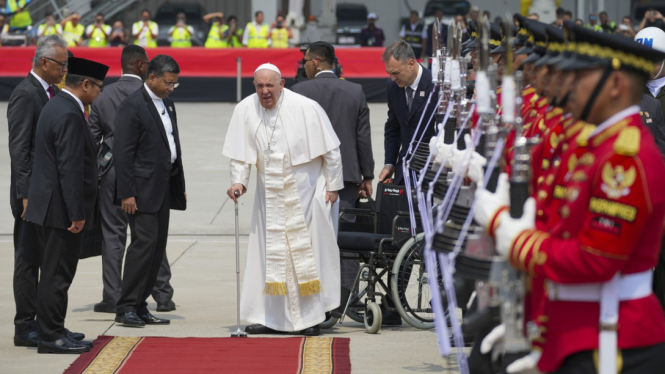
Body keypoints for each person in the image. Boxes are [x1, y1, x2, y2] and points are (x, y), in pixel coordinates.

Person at [477, 24, 665, 373]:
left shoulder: (625, 158)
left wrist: (516, 240)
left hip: (612, 338)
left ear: (615, 85)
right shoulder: (599, 145)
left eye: (580, 77)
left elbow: (596, 258)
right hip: (579, 330)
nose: (568, 86)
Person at [223, 63, 343, 337]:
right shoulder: (245, 109)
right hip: (269, 193)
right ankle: (269, 317)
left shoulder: (306, 108)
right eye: (259, 86)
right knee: (269, 252)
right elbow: (241, 155)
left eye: (270, 85)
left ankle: (309, 319)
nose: (265, 91)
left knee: (304, 253)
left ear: (282, 84)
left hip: (305, 189)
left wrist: (333, 186)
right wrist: (239, 181)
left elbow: (331, 152)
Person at [25, 56, 108, 354]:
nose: (100, 93)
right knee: (56, 274)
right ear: (85, 84)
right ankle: (50, 336)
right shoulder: (69, 114)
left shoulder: (59, 105)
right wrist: (77, 213)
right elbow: (70, 168)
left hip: (52, 206)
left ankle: (55, 327)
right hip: (61, 209)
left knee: (55, 272)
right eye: (98, 87)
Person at [88, 46, 177, 314]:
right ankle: (162, 294)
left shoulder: (103, 96)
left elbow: (92, 138)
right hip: (146, 174)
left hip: (112, 171)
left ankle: (113, 295)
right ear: (141, 66)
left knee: (113, 236)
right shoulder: (152, 96)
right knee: (148, 236)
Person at [291, 42, 374, 316]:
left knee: (310, 237)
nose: (302, 65)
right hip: (347, 178)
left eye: (305, 60)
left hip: (308, 177)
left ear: (316, 62)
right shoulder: (355, 91)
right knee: (345, 239)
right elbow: (363, 136)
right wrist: (367, 175)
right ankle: (345, 299)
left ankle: (312, 297)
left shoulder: (298, 92)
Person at [113, 55, 187, 327]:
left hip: (163, 187)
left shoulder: (167, 102)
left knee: (157, 248)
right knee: (142, 246)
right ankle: (126, 306)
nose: (171, 88)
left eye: (175, 84)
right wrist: (127, 192)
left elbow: (172, 146)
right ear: (151, 77)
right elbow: (123, 152)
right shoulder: (132, 106)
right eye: (168, 83)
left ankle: (141, 303)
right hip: (140, 191)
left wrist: (179, 186)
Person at [7, 34, 68, 348]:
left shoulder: (51, 92)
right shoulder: (25, 94)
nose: (64, 70)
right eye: (61, 64)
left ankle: (48, 322)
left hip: (50, 195)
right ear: (44, 62)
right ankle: (25, 325)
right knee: (29, 259)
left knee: (50, 259)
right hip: (32, 196)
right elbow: (19, 150)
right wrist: (25, 195)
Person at [379, 40, 438, 185]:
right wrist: (389, 163)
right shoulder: (392, 86)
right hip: (404, 169)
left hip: (432, 171)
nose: (392, 78)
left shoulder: (436, 85)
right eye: (389, 74)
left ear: (411, 64)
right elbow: (393, 126)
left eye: (396, 73)